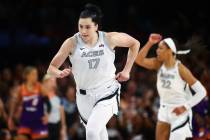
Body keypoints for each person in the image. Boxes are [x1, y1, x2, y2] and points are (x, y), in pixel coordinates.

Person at [47, 3, 140, 140]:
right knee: (100, 134)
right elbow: (51, 68)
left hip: (106, 91)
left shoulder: (109, 38)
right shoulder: (71, 43)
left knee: (91, 132)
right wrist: (59, 73)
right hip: (83, 97)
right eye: (80, 26)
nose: (83, 31)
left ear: (96, 26)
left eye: (87, 27)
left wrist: (127, 70)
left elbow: (135, 43)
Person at [135, 33, 207, 140]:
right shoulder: (158, 64)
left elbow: (202, 92)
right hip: (164, 109)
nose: (157, 51)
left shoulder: (181, 69)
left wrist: (185, 107)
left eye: (160, 48)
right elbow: (138, 60)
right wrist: (150, 43)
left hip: (179, 110)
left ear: (170, 51)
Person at [8, 66, 49, 140]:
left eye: (36, 74)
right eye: (33, 74)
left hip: (38, 121)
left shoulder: (40, 87)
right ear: (27, 76)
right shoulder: (21, 89)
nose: (36, 76)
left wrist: (47, 115)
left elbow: (48, 103)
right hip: (25, 120)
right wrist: (10, 117)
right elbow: (15, 104)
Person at [42, 74, 67, 140]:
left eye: (54, 81)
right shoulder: (41, 96)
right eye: (51, 81)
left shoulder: (59, 96)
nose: (53, 82)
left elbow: (62, 113)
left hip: (56, 127)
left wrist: (63, 128)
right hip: (44, 127)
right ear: (45, 82)